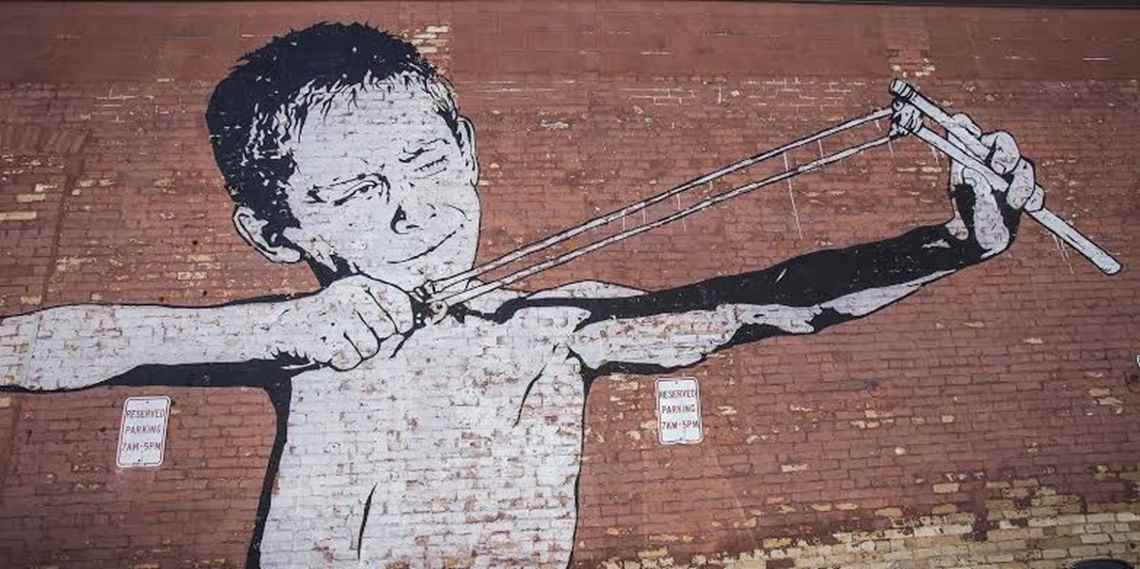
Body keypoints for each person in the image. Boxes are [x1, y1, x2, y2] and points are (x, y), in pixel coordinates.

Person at [0, 22, 1039, 569]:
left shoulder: (554, 327)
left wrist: (959, 241)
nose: (413, 210)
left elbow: (778, 300)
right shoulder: (299, 339)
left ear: (467, 150)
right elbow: (30, 348)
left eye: (425, 161)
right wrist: (283, 326)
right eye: (356, 190)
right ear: (278, 234)